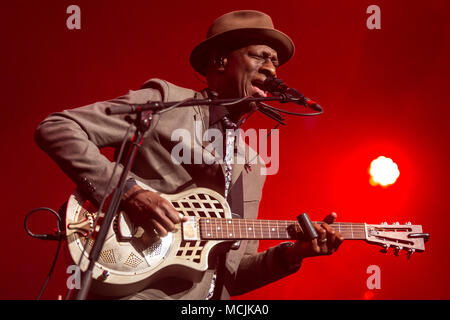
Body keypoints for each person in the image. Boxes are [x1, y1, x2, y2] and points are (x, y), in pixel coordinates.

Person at [35, 10, 343, 300]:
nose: (272, 69)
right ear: (221, 60)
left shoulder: (252, 164)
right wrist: (128, 192)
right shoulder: (165, 104)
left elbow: (233, 275)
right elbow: (59, 128)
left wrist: (293, 254)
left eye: (275, 62)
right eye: (259, 56)